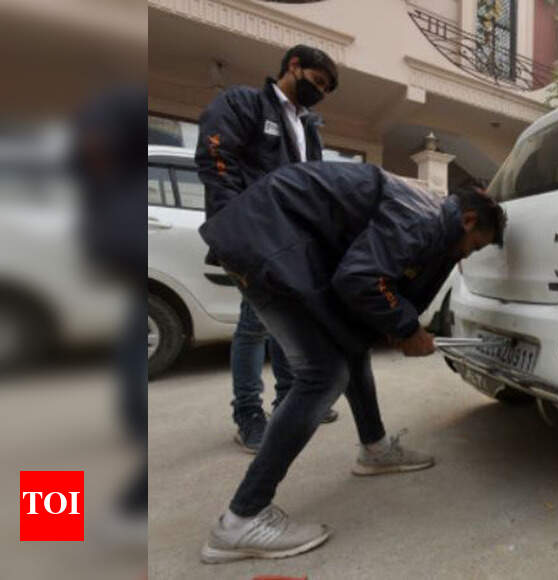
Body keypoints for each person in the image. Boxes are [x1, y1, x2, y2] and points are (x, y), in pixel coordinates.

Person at [197, 161, 506, 563]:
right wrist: (407, 327)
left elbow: (366, 275)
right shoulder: (422, 220)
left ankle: (374, 449)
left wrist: (393, 321)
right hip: (268, 243)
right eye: (477, 245)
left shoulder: (428, 214)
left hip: (270, 237)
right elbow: (360, 279)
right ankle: (241, 520)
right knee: (323, 376)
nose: (468, 255)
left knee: (351, 346)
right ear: (467, 221)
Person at [195, 44, 341, 453]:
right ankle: (248, 416)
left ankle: (288, 403)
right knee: (254, 325)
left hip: (289, 241)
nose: (320, 92)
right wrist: (235, 226)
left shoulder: (308, 126)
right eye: (317, 81)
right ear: (293, 66)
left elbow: (311, 184)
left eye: (327, 89)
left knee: (285, 322)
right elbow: (214, 156)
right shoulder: (244, 103)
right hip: (250, 235)